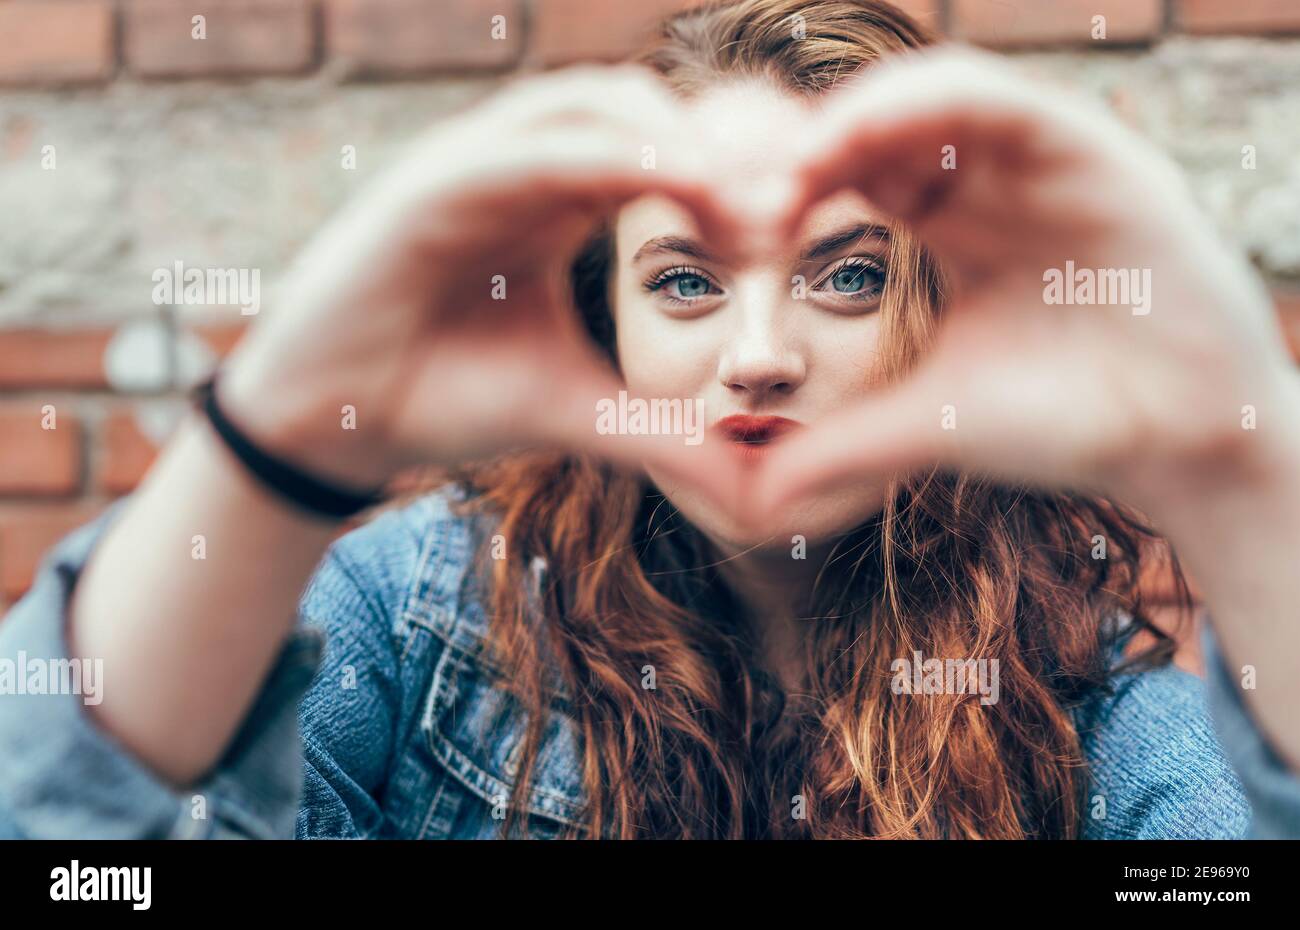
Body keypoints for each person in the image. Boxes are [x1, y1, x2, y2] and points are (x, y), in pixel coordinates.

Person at [2, 0, 1298, 839]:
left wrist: (1244, 464)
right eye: (685, 279)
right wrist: (280, 432)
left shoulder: (1091, 718)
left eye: (848, 274)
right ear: (604, 320)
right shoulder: (403, 621)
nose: (756, 356)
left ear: (944, 314)